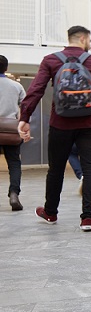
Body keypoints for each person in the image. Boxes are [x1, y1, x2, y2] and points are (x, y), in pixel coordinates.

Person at [19, 25, 91, 231]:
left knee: (56, 170)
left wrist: (25, 116)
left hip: (60, 123)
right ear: (82, 38)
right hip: (89, 124)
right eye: (90, 40)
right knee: (90, 169)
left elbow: (36, 89)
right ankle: (87, 218)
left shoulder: (51, 60)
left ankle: (50, 212)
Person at [0, 55, 27, 211]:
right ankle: (14, 194)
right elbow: (25, 108)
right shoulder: (16, 86)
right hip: (10, 130)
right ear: (6, 68)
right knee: (14, 163)